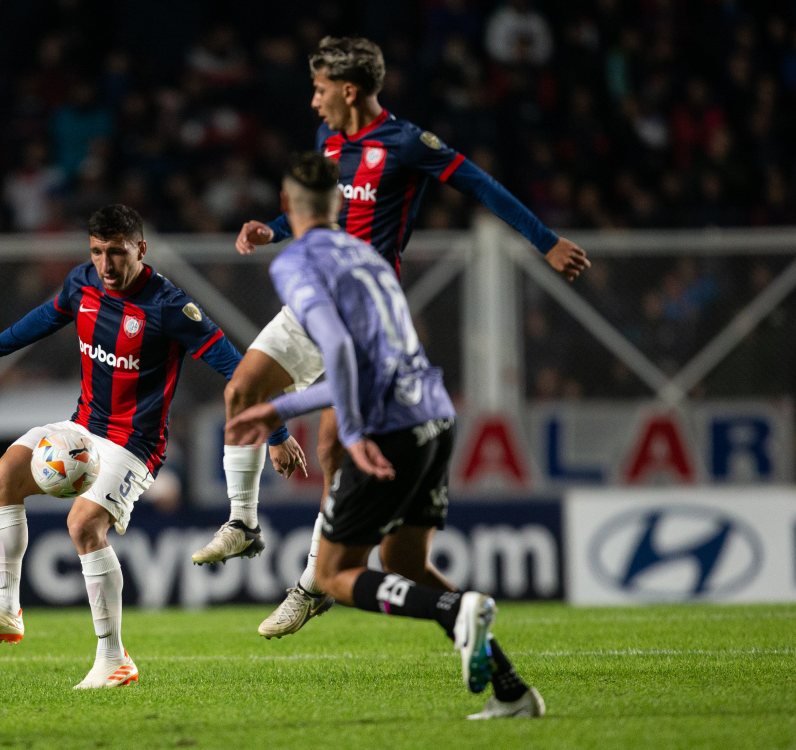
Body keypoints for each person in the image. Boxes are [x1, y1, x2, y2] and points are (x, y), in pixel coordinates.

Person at [192, 36, 589, 640]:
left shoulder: (405, 144)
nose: (313, 100)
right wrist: (272, 230)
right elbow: (318, 211)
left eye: (321, 89)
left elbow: (482, 186)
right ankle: (243, 523)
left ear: (349, 90)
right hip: (309, 303)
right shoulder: (329, 143)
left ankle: (311, 584)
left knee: (332, 452)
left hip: (363, 319)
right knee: (241, 390)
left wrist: (545, 241)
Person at [226, 152, 544, 719]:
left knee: (332, 574)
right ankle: (511, 690)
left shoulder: (296, 260)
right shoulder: (370, 257)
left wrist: (303, 413)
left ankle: (462, 609)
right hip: (436, 416)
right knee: (405, 564)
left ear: (284, 206)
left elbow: (341, 352)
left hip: (388, 428)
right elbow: (381, 360)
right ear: (341, 204)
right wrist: (288, 407)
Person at [0, 204, 269, 689]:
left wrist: (278, 432)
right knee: (0, 478)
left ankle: (113, 658)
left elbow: (233, 364)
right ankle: (5, 608)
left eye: (116, 252)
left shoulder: (169, 306)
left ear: (140, 248)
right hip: (82, 427)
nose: (106, 264)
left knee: (83, 524)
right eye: (97, 252)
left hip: (134, 442)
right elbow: (43, 318)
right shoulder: (82, 283)